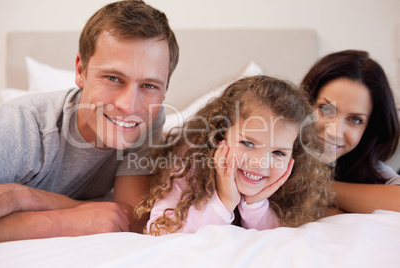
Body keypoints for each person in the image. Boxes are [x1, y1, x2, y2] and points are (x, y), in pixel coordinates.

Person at [0, 0, 179, 242]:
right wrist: (62, 222)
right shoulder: (20, 126)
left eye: (149, 85)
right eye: (113, 78)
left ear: (164, 90)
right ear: (81, 71)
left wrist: (27, 198)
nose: (129, 106)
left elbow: (130, 217)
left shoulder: (147, 120)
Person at [135, 75, 334, 235]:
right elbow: (160, 230)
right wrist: (224, 201)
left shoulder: (292, 182)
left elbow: (279, 239)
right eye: (247, 143)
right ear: (220, 133)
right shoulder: (189, 162)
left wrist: (255, 204)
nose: (259, 163)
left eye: (278, 153)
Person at [300, 49, 400, 215]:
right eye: (325, 109)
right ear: (304, 102)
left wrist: (318, 185)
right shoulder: (274, 146)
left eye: (355, 120)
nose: (335, 132)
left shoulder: (365, 165)